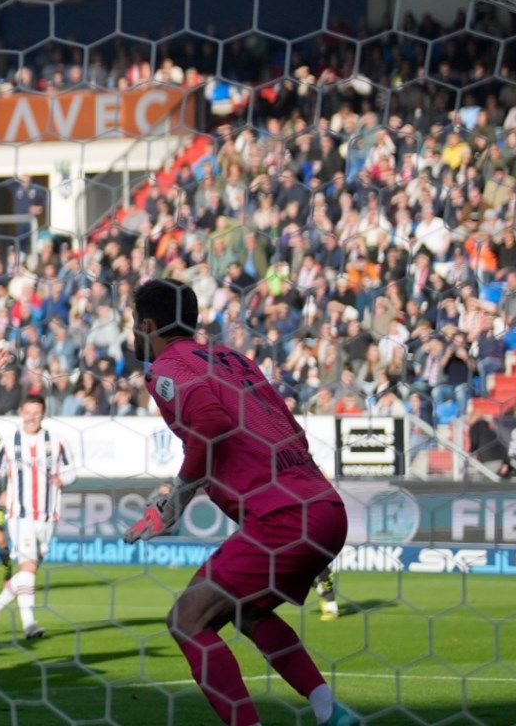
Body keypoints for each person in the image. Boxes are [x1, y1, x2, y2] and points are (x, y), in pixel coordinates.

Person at [125, 279, 360, 726]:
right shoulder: (234, 358)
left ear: (149, 325)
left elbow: (210, 425)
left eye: (136, 324)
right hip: (324, 507)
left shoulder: (167, 369)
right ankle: (331, 712)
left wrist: (174, 502)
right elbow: (292, 429)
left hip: (284, 517)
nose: (135, 333)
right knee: (247, 611)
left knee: (187, 619)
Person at [0, 392, 75, 640]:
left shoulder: (56, 441)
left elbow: (72, 471)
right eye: (28, 413)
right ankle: (30, 625)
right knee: (26, 567)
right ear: (21, 414)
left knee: (29, 572)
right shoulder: (8, 443)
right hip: (20, 514)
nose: (32, 418)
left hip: (48, 515)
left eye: (36, 414)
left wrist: (62, 479)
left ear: (43, 415)